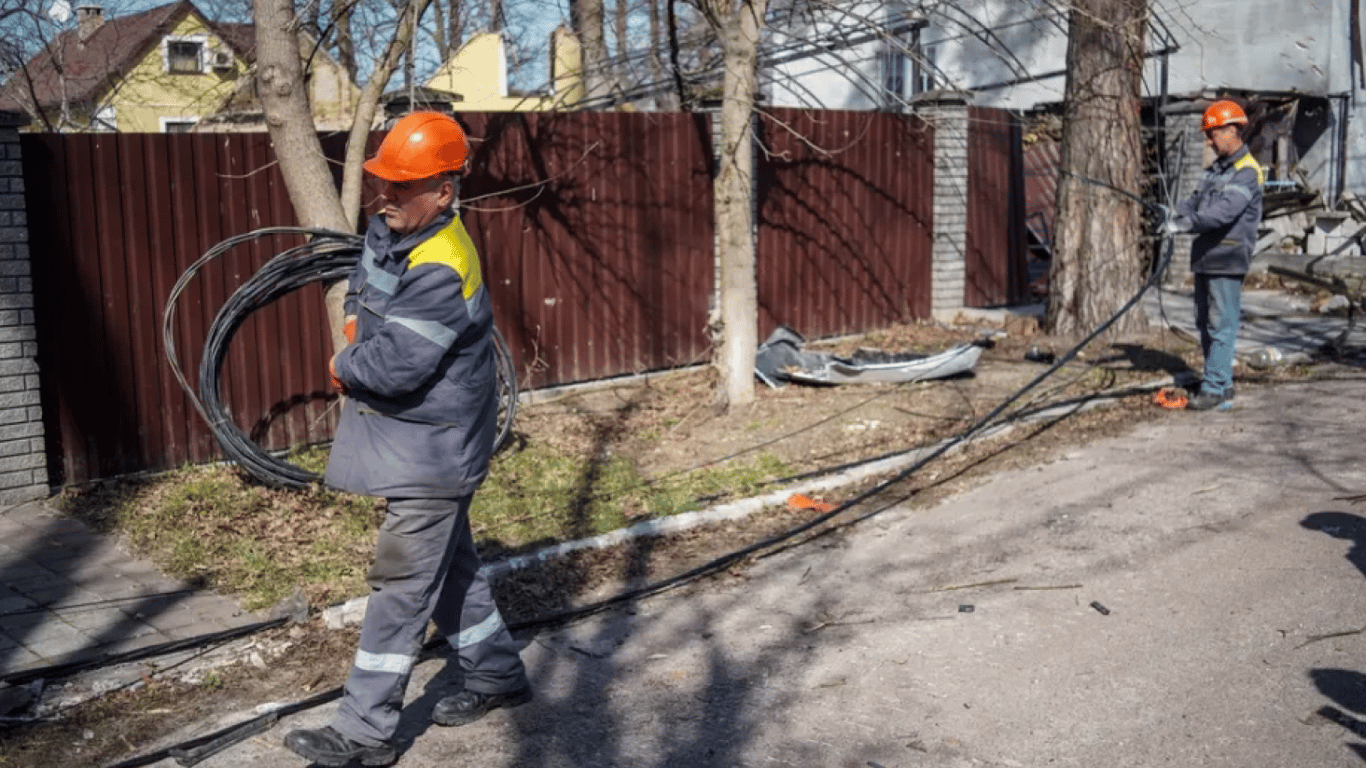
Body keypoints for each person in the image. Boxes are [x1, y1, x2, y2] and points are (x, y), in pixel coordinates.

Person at [283, 111, 531, 767]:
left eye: (401, 186)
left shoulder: (443, 265)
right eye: (383, 183)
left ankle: (363, 733)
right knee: (451, 570)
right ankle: (496, 672)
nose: (383, 196)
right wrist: (360, 322)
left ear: (443, 192)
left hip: (434, 452)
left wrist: (344, 365)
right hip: (418, 443)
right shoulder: (393, 232)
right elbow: (365, 289)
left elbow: (396, 367)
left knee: (399, 588)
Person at [1167, 99, 1264, 412]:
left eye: (1213, 133)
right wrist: (1172, 215)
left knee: (1221, 324)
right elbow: (1192, 203)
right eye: (1207, 134)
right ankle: (1220, 382)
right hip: (1206, 256)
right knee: (1204, 323)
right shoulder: (1214, 171)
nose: (1209, 140)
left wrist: (1183, 225)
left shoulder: (1247, 172)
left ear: (1232, 129)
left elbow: (1221, 214)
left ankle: (1213, 387)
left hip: (1228, 258)